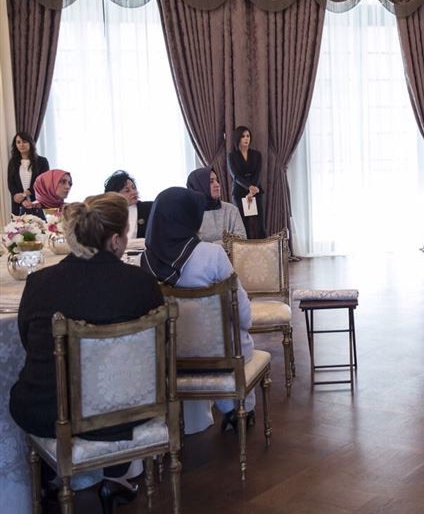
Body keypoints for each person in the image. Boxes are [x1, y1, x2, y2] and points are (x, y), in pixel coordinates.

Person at [9, 193, 164, 510]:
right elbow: (154, 352)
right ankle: (116, 476)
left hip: (49, 412)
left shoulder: (39, 282)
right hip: (124, 410)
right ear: (116, 241)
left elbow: (29, 343)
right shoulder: (142, 284)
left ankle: (50, 481)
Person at [141, 187, 256, 432]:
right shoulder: (211, 255)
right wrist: (247, 326)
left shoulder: (145, 260)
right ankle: (237, 408)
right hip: (220, 353)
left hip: (172, 354)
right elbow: (241, 310)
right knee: (237, 336)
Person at [186, 167, 246, 243]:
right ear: (198, 185)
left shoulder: (231, 210)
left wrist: (209, 244)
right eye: (211, 181)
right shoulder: (188, 214)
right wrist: (224, 242)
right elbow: (188, 245)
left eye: (217, 180)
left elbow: (241, 240)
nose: (217, 184)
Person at [227, 125, 267, 239]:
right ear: (238, 138)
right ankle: (246, 248)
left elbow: (258, 173)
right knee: (243, 225)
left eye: (248, 136)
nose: (246, 139)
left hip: (256, 191)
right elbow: (235, 176)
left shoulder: (257, 154)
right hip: (239, 192)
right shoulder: (232, 156)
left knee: (260, 225)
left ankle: (263, 247)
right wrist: (249, 187)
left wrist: (252, 191)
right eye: (243, 136)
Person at [7, 131, 50, 216]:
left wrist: (24, 194)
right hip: (19, 206)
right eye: (18, 142)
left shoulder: (42, 161)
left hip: (37, 204)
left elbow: (43, 183)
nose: (21, 144)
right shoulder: (12, 162)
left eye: (24, 141)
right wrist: (23, 200)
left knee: (39, 224)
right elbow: (11, 184)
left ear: (30, 143)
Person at [103, 170, 153, 241]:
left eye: (134, 188)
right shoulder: (107, 214)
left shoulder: (149, 208)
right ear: (115, 195)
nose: (134, 192)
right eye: (127, 191)